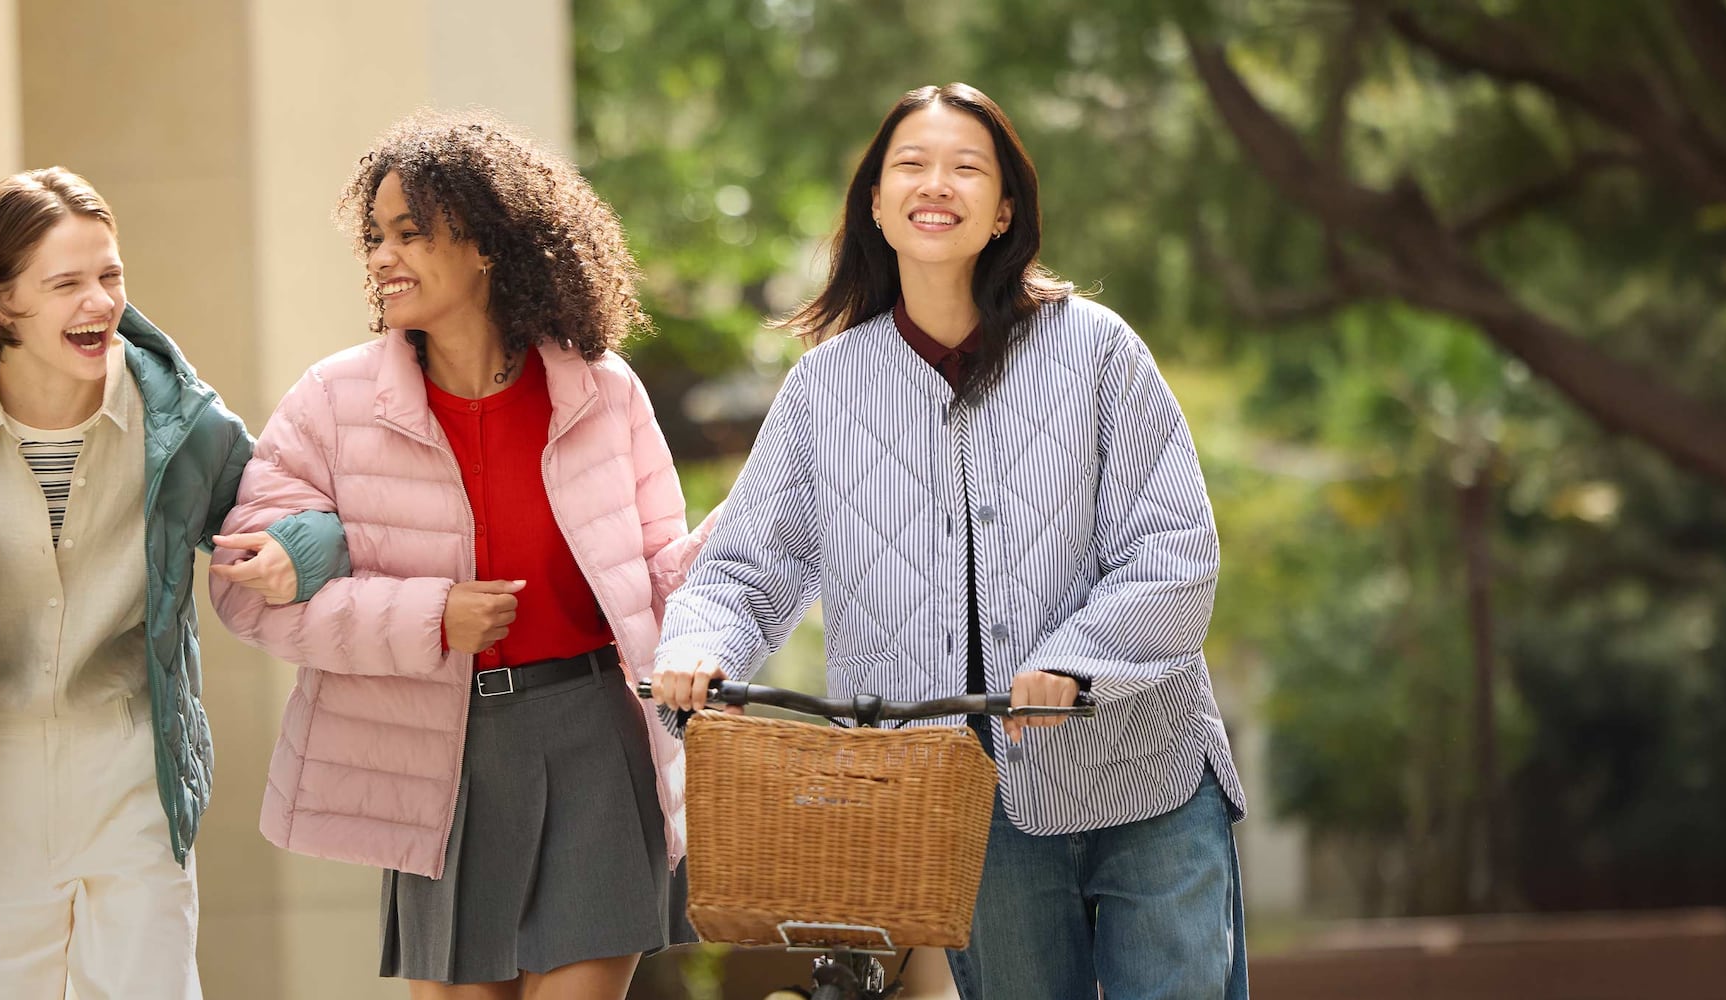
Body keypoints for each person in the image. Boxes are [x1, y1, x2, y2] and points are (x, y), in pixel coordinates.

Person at [648, 83, 1250, 999]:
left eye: (968, 167)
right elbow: (744, 568)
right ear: (878, 207)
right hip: (965, 801)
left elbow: (1174, 550)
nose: (939, 185)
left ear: (1004, 208)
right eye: (912, 167)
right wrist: (698, 650)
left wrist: (1075, 662)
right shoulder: (826, 393)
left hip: (1146, 773)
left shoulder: (1095, 349)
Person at [0, 166, 346, 998]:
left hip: (131, 777)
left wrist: (296, 551)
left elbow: (300, 508)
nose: (101, 302)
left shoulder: (180, 423)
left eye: (110, 275)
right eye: (67, 284)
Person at [208, 112, 712, 1000]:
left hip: (593, 741)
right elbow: (250, 596)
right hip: (435, 764)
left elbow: (664, 570)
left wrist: (750, 554)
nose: (382, 257)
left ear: (484, 245)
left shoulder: (603, 390)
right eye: (376, 237)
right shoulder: (332, 402)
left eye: (410, 233)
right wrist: (431, 616)